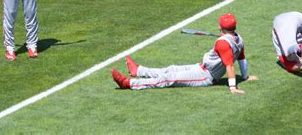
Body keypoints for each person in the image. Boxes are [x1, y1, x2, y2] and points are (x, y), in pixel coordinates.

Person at [111, 13, 259, 93]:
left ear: (220, 28)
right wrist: (245, 76)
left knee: (168, 79)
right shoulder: (239, 39)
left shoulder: (222, 43)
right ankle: (139, 70)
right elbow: (241, 59)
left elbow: (230, 66)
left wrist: (233, 87)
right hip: (200, 67)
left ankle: (129, 83)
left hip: (206, 77)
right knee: (172, 69)